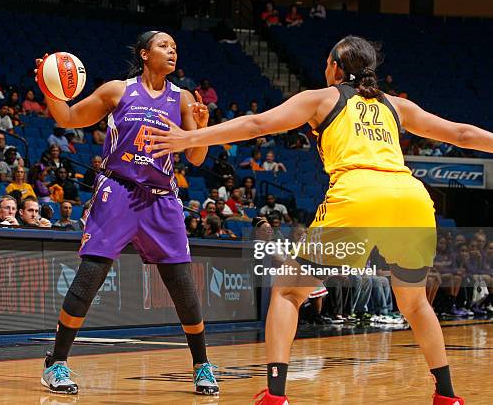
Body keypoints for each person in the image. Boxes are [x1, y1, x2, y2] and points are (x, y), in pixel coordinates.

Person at [146, 35, 493, 405]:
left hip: (359, 193)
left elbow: (255, 125)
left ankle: (275, 395)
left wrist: (191, 138)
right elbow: (462, 133)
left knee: (289, 290)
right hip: (411, 199)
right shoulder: (396, 105)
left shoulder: (322, 98)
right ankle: (447, 395)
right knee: (415, 302)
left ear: (337, 67)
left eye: (328, 61)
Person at [35, 30, 218, 396]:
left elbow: (196, 157)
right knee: (90, 276)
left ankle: (202, 366)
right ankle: (56, 362)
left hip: (161, 199)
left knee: (183, 287)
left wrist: (202, 127)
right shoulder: (118, 90)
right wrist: (49, 88)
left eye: (175, 48)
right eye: (164, 46)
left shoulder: (182, 98)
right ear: (144, 53)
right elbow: (69, 118)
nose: (172, 52)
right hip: (117, 190)